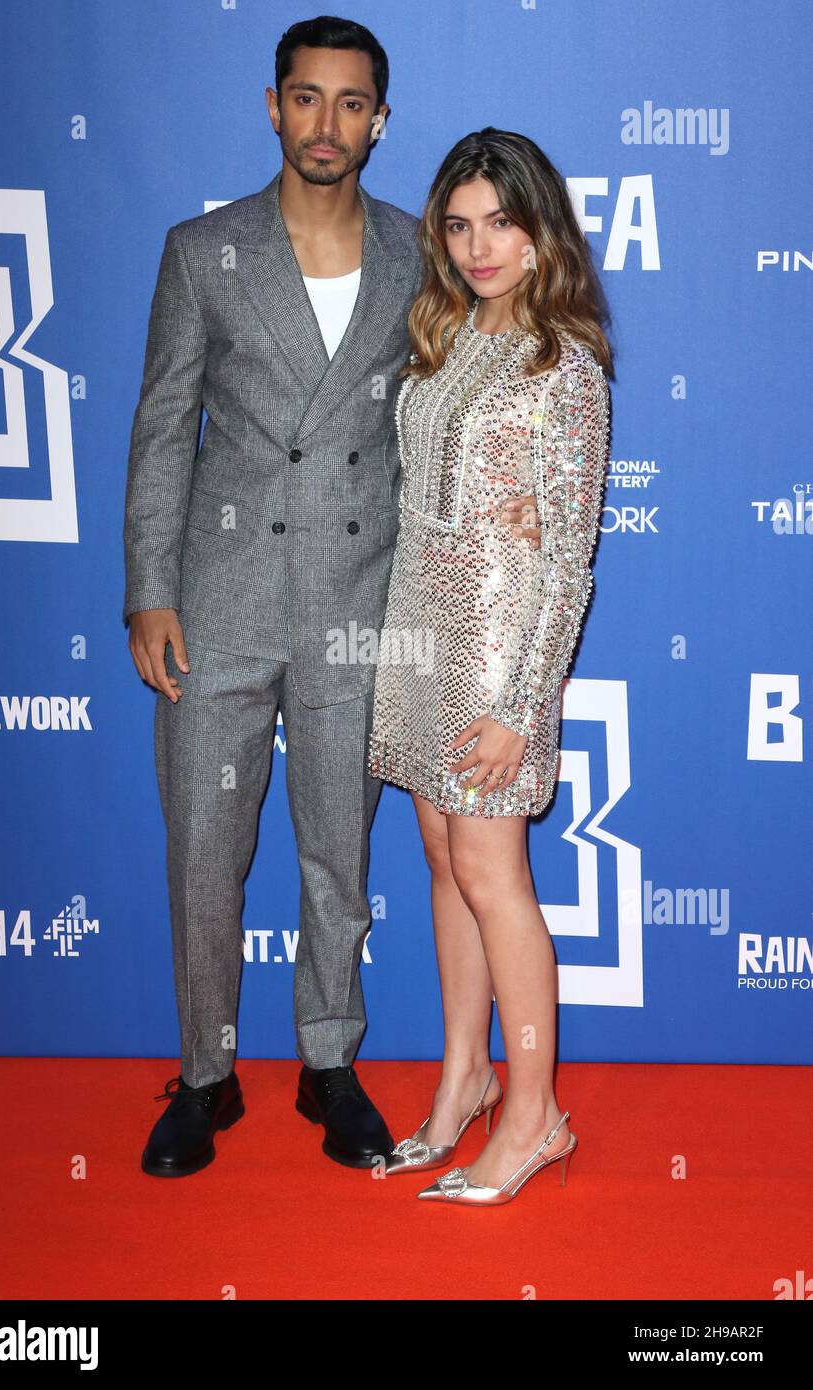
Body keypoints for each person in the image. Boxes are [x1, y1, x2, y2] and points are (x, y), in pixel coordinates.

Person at [122, 19, 538, 1178]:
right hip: (219, 594)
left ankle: (326, 1061)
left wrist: (512, 504)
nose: (326, 125)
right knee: (205, 846)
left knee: (336, 851)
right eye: (306, 100)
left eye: (350, 104)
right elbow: (162, 431)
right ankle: (206, 1075)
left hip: (364, 598)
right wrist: (149, 589)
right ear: (272, 108)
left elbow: (460, 406)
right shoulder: (200, 252)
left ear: (379, 121)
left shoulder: (422, 254)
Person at [368, 128, 613, 1205]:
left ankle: (534, 1115)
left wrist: (520, 703)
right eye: (459, 225)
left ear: (537, 228)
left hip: (495, 648)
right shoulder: (446, 336)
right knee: (442, 862)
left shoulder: (565, 368)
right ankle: (462, 1078)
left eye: (499, 223)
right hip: (418, 631)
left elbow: (566, 565)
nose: (477, 246)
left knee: (493, 875)